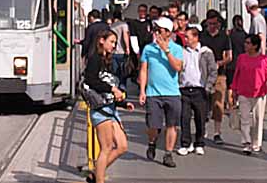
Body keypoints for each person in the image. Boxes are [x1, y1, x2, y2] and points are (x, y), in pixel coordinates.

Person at [84, 30, 134, 183]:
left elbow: (108, 88)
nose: (114, 46)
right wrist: (113, 89)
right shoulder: (94, 59)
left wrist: (123, 103)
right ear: (101, 41)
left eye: (114, 42)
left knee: (122, 146)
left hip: (111, 108)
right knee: (106, 148)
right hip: (100, 110)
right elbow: (91, 81)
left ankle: (95, 173)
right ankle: (99, 179)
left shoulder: (107, 60)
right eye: (111, 42)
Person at [139, 17, 184, 168]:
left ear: (168, 32)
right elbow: (144, 70)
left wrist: (166, 50)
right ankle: (152, 142)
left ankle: (168, 153)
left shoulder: (177, 48)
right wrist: (142, 90)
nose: (156, 33)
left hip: (172, 93)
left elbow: (178, 67)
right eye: (155, 30)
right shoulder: (148, 48)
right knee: (153, 125)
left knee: (172, 125)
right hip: (153, 93)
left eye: (160, 30)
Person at [177, 27, 217, 156]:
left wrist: (208, 86)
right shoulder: (182, 52)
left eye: (188, 37)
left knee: (200, 118)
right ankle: (185, 143)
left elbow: (212, 70)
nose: (186, 39)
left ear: (195, 38)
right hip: (184, 89)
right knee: (184, 117)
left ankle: (199, 143)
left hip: (200, 89)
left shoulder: (206, 52)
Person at [230, 34, 267, 154]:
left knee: (257, 119)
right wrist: (234, 89)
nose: (245, 45)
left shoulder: (264, 60)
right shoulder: (241, 58)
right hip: (243, 91)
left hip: (259, 93)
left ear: (255, 45)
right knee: (245, 119)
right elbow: (237, 74)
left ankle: (256, 143)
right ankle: (246, 142)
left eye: (248, 43)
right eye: (245, 42)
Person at [200, 11, 232, 145]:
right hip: (203, 75)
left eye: (215, 23)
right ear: (206, 22)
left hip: (220, 75)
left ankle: (217, 132)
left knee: (218, 104)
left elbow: (229, 57)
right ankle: (203, 130)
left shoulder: (224, 37)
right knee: (202, 103)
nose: (213, 26)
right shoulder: (202, 36)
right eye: (210, 23)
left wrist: (219, 63)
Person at [227, 15, 248, 106]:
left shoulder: (230, 35)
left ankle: (231, 103)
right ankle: (239, 101)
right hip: (243, 63)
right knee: (241, 83)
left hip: (231, 63)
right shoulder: (245, 35)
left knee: (231, 84)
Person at [110, 10, 131, 88]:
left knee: (115, 72)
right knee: (123, 72)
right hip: (122, 52)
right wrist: (127, 48)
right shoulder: (124, 25)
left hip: (113, 52)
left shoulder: (112, 26)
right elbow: (125, 36)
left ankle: (116, 88)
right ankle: (122, 88)